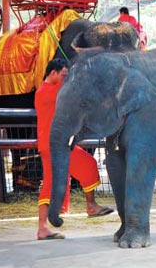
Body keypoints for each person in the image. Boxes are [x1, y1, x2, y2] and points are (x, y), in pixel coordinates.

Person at [34, 58, 113, 240]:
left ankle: (90, 206)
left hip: (60, 144)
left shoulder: (54, 90)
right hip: (52, 146)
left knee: (87, 165)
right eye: (63, 75)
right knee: (51, 184)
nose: (65, 78)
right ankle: (43, 227)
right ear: (52, 73)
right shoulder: (46, 92)